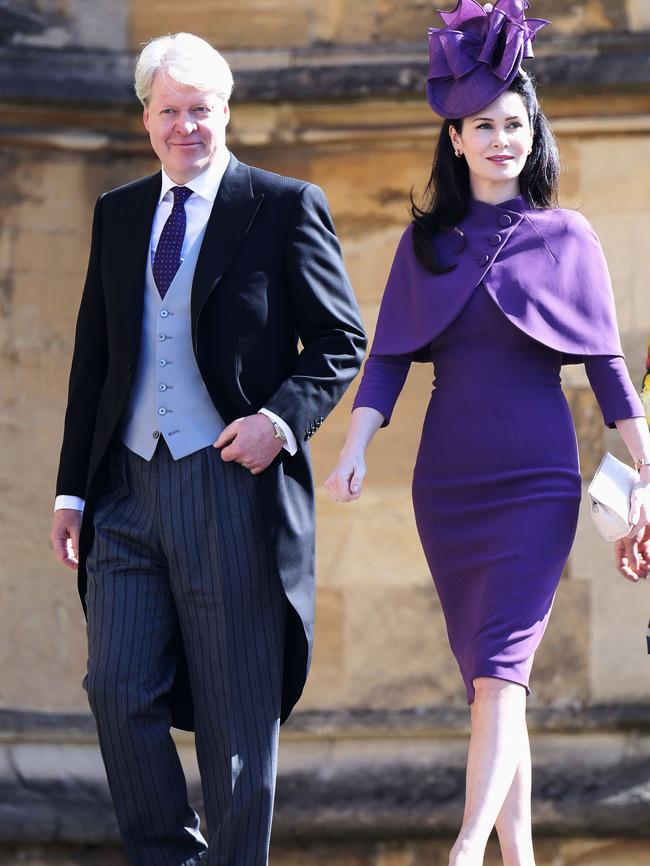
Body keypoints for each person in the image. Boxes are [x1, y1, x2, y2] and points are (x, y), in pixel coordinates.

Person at [326, 2, 650, 865]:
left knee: (499, 675)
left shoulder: (568, 237)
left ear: (530, 129)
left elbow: (611, 370)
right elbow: (389, 357)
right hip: (450, 487)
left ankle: (466, 849)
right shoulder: (424, 244)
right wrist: (356, 445)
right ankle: (521, 858)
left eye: (515, 123)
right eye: (484, 126)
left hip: (539, 482)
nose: (502, 138)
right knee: (493, 686)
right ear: (457, 139)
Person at [50, 32, 366, 866]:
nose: (186, 127)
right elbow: (95, 355)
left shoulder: (283, 203)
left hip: (229, 483)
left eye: (202, 110)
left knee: (234, 718)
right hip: (124, 489)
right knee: (117, 692)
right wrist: (70, 492)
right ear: (146, 117)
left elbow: (340, 340)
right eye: (169, 112)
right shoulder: (117, 213)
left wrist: (280, 422)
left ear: (227, 112)